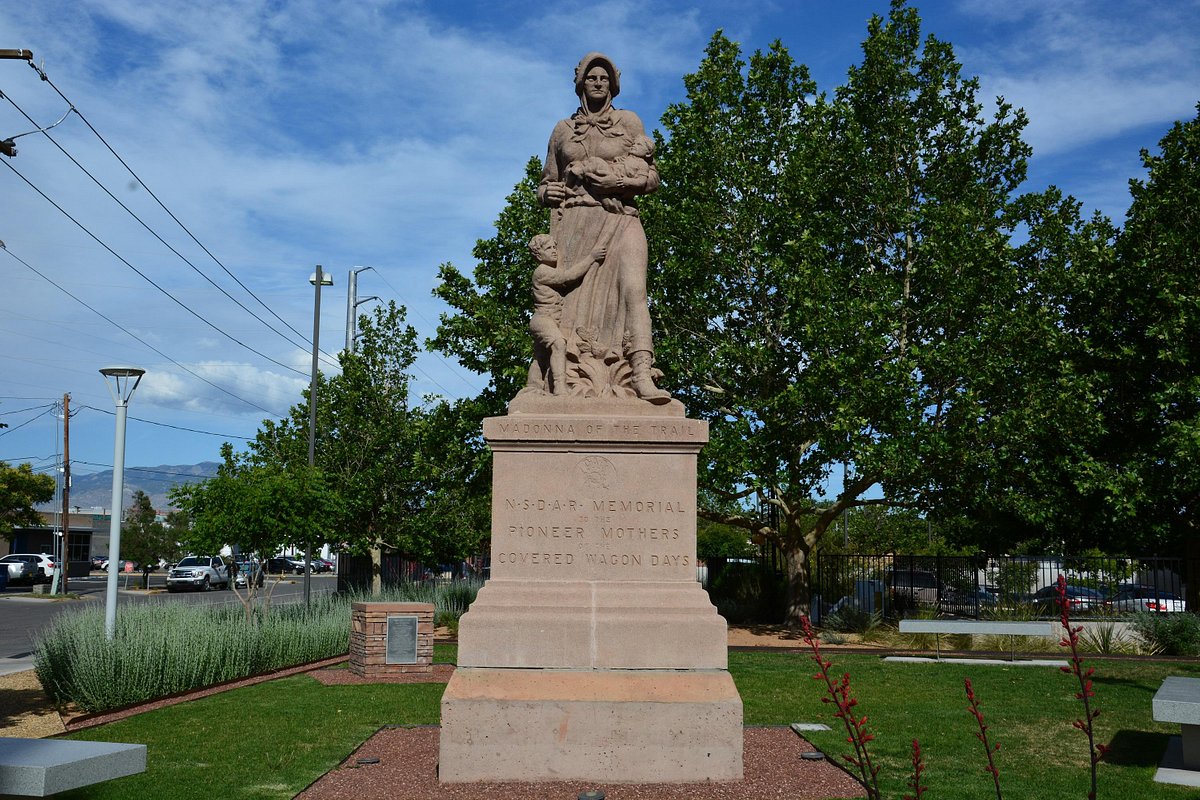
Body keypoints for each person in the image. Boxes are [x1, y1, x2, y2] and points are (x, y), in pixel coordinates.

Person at [533, 52, 671, 403]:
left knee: (634, 290)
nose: (598, 83)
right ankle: (563, 380)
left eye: (604, 78)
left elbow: (652, 177)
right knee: (569, 307)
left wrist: (616, 182)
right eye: (592, 77)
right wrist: (546, 191)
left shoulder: (629, 122)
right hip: (575, 224)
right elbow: (546, 181)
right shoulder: (562, 130)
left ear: (614, 84)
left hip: (622, 216)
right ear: (580, 82)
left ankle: (640, 374)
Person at [528, 234, 607, 395]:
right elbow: (567, 277)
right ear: (538, 254)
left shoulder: (549, 269)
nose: (554, 251)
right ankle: (560, 387)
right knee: (559, 344)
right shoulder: (542, 271)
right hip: (543, 319)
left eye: (554, 247)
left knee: (541, 358)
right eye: (548, 248)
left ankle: (533, 388)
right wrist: (591, 257)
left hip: (553, 320)